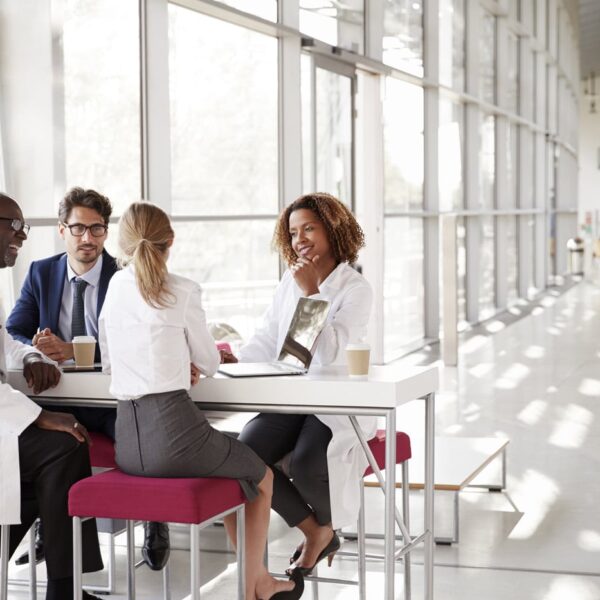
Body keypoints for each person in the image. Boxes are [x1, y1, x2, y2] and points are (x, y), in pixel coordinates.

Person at [98, 201, 303, 600]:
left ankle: (255, 577)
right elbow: (209, 362)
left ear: (122, 245)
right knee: (261, 476)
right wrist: (186, 363)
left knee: (232, 471)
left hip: (129, 443)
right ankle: (254, 586)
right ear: (170, 241)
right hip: (175, 437)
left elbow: (111, 361)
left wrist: (173, 362)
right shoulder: (183, 289)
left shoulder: (115, 287)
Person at [6, 187, 169, 570]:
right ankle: (50, 522)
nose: (88, 239)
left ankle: (155, 518)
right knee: (41, 442)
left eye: (97, 229)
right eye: (79, 229)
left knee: (139, 440)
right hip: (58, 397)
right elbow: (12, 329)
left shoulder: (127, 276)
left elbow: (141, 341)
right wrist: (35, 348)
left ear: (106, 233)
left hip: (112, 399)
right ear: (62, 229)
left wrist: (79, 350)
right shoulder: (41, 271)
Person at [233, 192, 376, 576]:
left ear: (333, 229)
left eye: (309, 228)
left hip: (333, 403)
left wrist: (312, 293)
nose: (300, 240)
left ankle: (325, 529)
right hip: (290, 394)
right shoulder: (290, 279)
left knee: (309, 462)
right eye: (294, 233)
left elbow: (328, 353)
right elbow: (268, 336)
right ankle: (317, 531)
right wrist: (235, 359)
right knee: (247, 455)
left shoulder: (354, 288)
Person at [0, 192, 104, 600]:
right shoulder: (41, 273)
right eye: (15, 226)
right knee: (63, 447)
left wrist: (28, 355)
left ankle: (66, 588)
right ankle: (66, 590)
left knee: (56, 455)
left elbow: (5, 339)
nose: (23, 237)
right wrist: (35, 415)